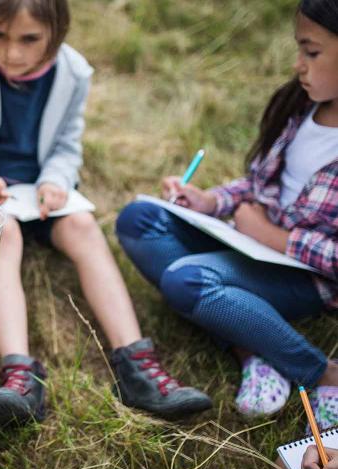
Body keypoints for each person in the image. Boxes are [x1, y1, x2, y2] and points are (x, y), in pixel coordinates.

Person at [0, 0, 212, 426]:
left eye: (28, 39)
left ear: (55, 32)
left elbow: (67, 146)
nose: (12, 52)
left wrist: (56, 181)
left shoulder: (74, 72)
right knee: (5, 235)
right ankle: (19, 374)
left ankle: (139, 368)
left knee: (84, 227)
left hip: (42, 192)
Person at [116, 0, 338, 422]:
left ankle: (322, 373)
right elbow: (258, 183)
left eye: (311, 52)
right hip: (251, 244)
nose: (299, 65)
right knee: (137, 219)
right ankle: (253, 347)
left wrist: (270, 236)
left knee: (186, 279)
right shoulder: (301, 107)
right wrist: (210, 202)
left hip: (305, 277)